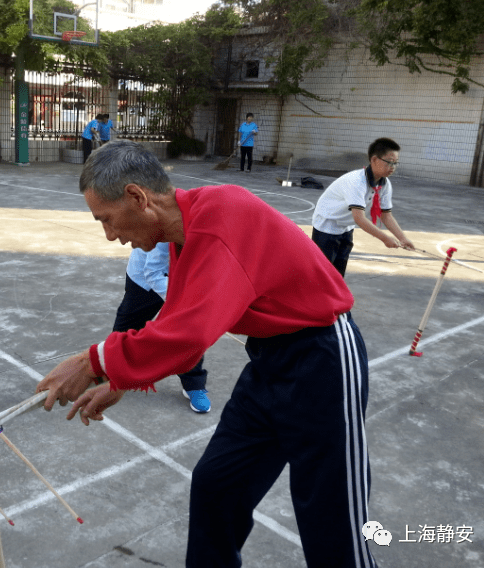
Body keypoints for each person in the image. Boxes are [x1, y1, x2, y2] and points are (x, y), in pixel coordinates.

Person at [36, 140, 377, 568]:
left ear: (138, 198)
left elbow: (189, 335)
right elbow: (176, 323)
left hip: (323, 360)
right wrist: (120, 378)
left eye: (106, 219)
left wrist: (92, 362)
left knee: (332, 520)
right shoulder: (185, 232)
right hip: (270, 363)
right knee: (218, 484)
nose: (110, 235)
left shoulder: (220, 216)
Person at [114, 242, 210, 413]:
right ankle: (112, 368)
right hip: (145, 277)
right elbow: (153, 272)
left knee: (190, 330)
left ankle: (194, 384)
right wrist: (181, 302)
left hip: (183, 277)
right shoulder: (169, 224)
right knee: (127, 326)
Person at [312, 137, 415, 277]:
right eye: (389, 162)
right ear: (374, 160)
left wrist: (402, 238)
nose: (393, 167)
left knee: (338, 272)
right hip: (327, 225)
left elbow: (386, 216)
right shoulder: (356, 182)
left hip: (345, 227)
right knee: (322, 273)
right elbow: (359, 218)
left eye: (396, 163)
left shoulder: (385, 184)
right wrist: (385, 238)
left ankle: (335, 298)